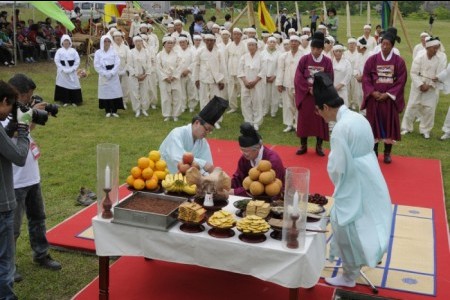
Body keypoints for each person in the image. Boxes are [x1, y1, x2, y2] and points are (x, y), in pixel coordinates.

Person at [312, 71, 392, 288]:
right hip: (370, 173)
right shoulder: (358, 117)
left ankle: (349, 275)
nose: (320, 116)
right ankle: (362, 258)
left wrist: (336, 177)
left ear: (326, 107)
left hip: (353, 178)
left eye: (319, 112)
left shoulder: (339, 129)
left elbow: (338, 166)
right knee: (365, 217)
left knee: (344, 223)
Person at [6, 74, 62, 283]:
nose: (27, 101)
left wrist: (34, 113)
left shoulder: (21, 110)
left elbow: (28, 131)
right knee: (12, 228)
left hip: (32, 175)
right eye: (25, 97)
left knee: (38, 218)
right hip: (15, 180)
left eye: (30, 97)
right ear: (15, 93)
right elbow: (14, 134)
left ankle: (41, 254)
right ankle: (7, 266)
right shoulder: (4, 113)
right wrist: (32, 113)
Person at [0, 80, 30, 300]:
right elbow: (19, 156)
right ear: (3, 101)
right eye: (10, 106)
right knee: (4, 261)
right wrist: (23, 130)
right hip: (2, 204)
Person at [362, 27, 407, 164]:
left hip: (389, 100)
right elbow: (366, 77)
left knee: (389, 125)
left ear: (392, 46)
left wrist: (388, 94)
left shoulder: (399, 61)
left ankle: (387, 153)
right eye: (382, 43)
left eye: (387, 44)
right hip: (374, 99)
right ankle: (374, 151)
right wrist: (372, 92)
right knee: (373, 125)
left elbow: (401, 80)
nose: (384, 46)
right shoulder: (372, 60)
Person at [159, 96, 228, 174]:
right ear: (197, 123)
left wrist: (209, 177)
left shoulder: (202, 142)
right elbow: (177, 158)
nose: (207, 133)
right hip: (164, 174)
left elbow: (208, 167)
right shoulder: (177, 133)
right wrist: (203, 164)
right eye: (206, 129)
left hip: (187, 178)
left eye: (210, 131)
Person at [294, 31, 332, 156]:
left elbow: (329, 78)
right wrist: (308, 89)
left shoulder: (327, 62)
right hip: (306, 96)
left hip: (319, 97)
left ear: (322, 49)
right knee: (305, 120)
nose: (316, 51)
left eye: (318, 48)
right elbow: (298, 77)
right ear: (311, 48)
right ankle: (303, 145)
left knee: (320, 120)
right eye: (313, 48)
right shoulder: (304, 60)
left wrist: (317, 90)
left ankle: (319, 146)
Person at [401, 37, 445, 139]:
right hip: (417, 86)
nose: (436, 50)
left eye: (437, 48)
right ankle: (406, 128)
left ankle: (425, 130)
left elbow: (440, 74)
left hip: (431, 87)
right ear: (428, 48)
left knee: (429, 109)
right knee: (412, 106)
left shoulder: (441, 57)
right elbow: (413, 72)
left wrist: (429, 85)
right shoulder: (419, 56)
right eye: (434, 48)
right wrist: (421, 85)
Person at [231, 122, 285, 197]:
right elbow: (238, 179)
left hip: (273, 198)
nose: (245, 154)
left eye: (247, 151)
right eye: (242, 150)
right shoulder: (244, 159)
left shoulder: (272, 160)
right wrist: (225, 186)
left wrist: (234, 192)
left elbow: (266, 190)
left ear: (257, 149)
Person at [238, 38, 266, 131]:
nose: (251, 47)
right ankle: (248, 121)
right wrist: (245, 81)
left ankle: (256, 122)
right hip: (245, 83)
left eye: (252, 45)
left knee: (257, 102)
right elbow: (240, 70)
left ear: (256, 46)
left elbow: (263, 70)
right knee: (245, 102)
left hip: (257, 83)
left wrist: (255, 81)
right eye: (249, 45)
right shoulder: (244, 57)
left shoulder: (261, 57)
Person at [94, 35, 125, 117]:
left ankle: (114, 110)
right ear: (102, 42)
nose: (107, 43)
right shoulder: (98, 53)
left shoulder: (114, 51)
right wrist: (104, 73)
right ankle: (107, 110)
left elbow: (117, 63)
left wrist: (112, 72)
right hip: (103, 75)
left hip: (113, 75)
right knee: (106, 92)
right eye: (105, 41)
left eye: (108, 41)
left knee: (114, 92)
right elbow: (96, 65)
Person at [156, 35, 183, 122]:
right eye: (168, 43)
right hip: (164, 79)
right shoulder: (159, 55)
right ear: (164, 44)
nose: (170, 45)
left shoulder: (177, 54)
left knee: (177, 96)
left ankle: (176, 115)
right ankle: (167, 114)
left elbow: (180, 65)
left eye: (171, 43)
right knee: (165, 97)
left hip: (175, 78)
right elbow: (158, 67)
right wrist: (165, 77)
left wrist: (174, 76)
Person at [53, 34, 83, 107]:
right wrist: (62, 69)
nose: (66, 43)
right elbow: (57, 60)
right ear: (62, 42)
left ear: (70, 42)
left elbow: (77, 60)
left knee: (74, 85)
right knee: (63, 85)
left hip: (72, 72)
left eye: (67, 41)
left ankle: (75, 101)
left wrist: (72, 69)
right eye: (64, 41)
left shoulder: (73, 51)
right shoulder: (59, 51)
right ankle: (64, 100)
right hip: (62, 72)